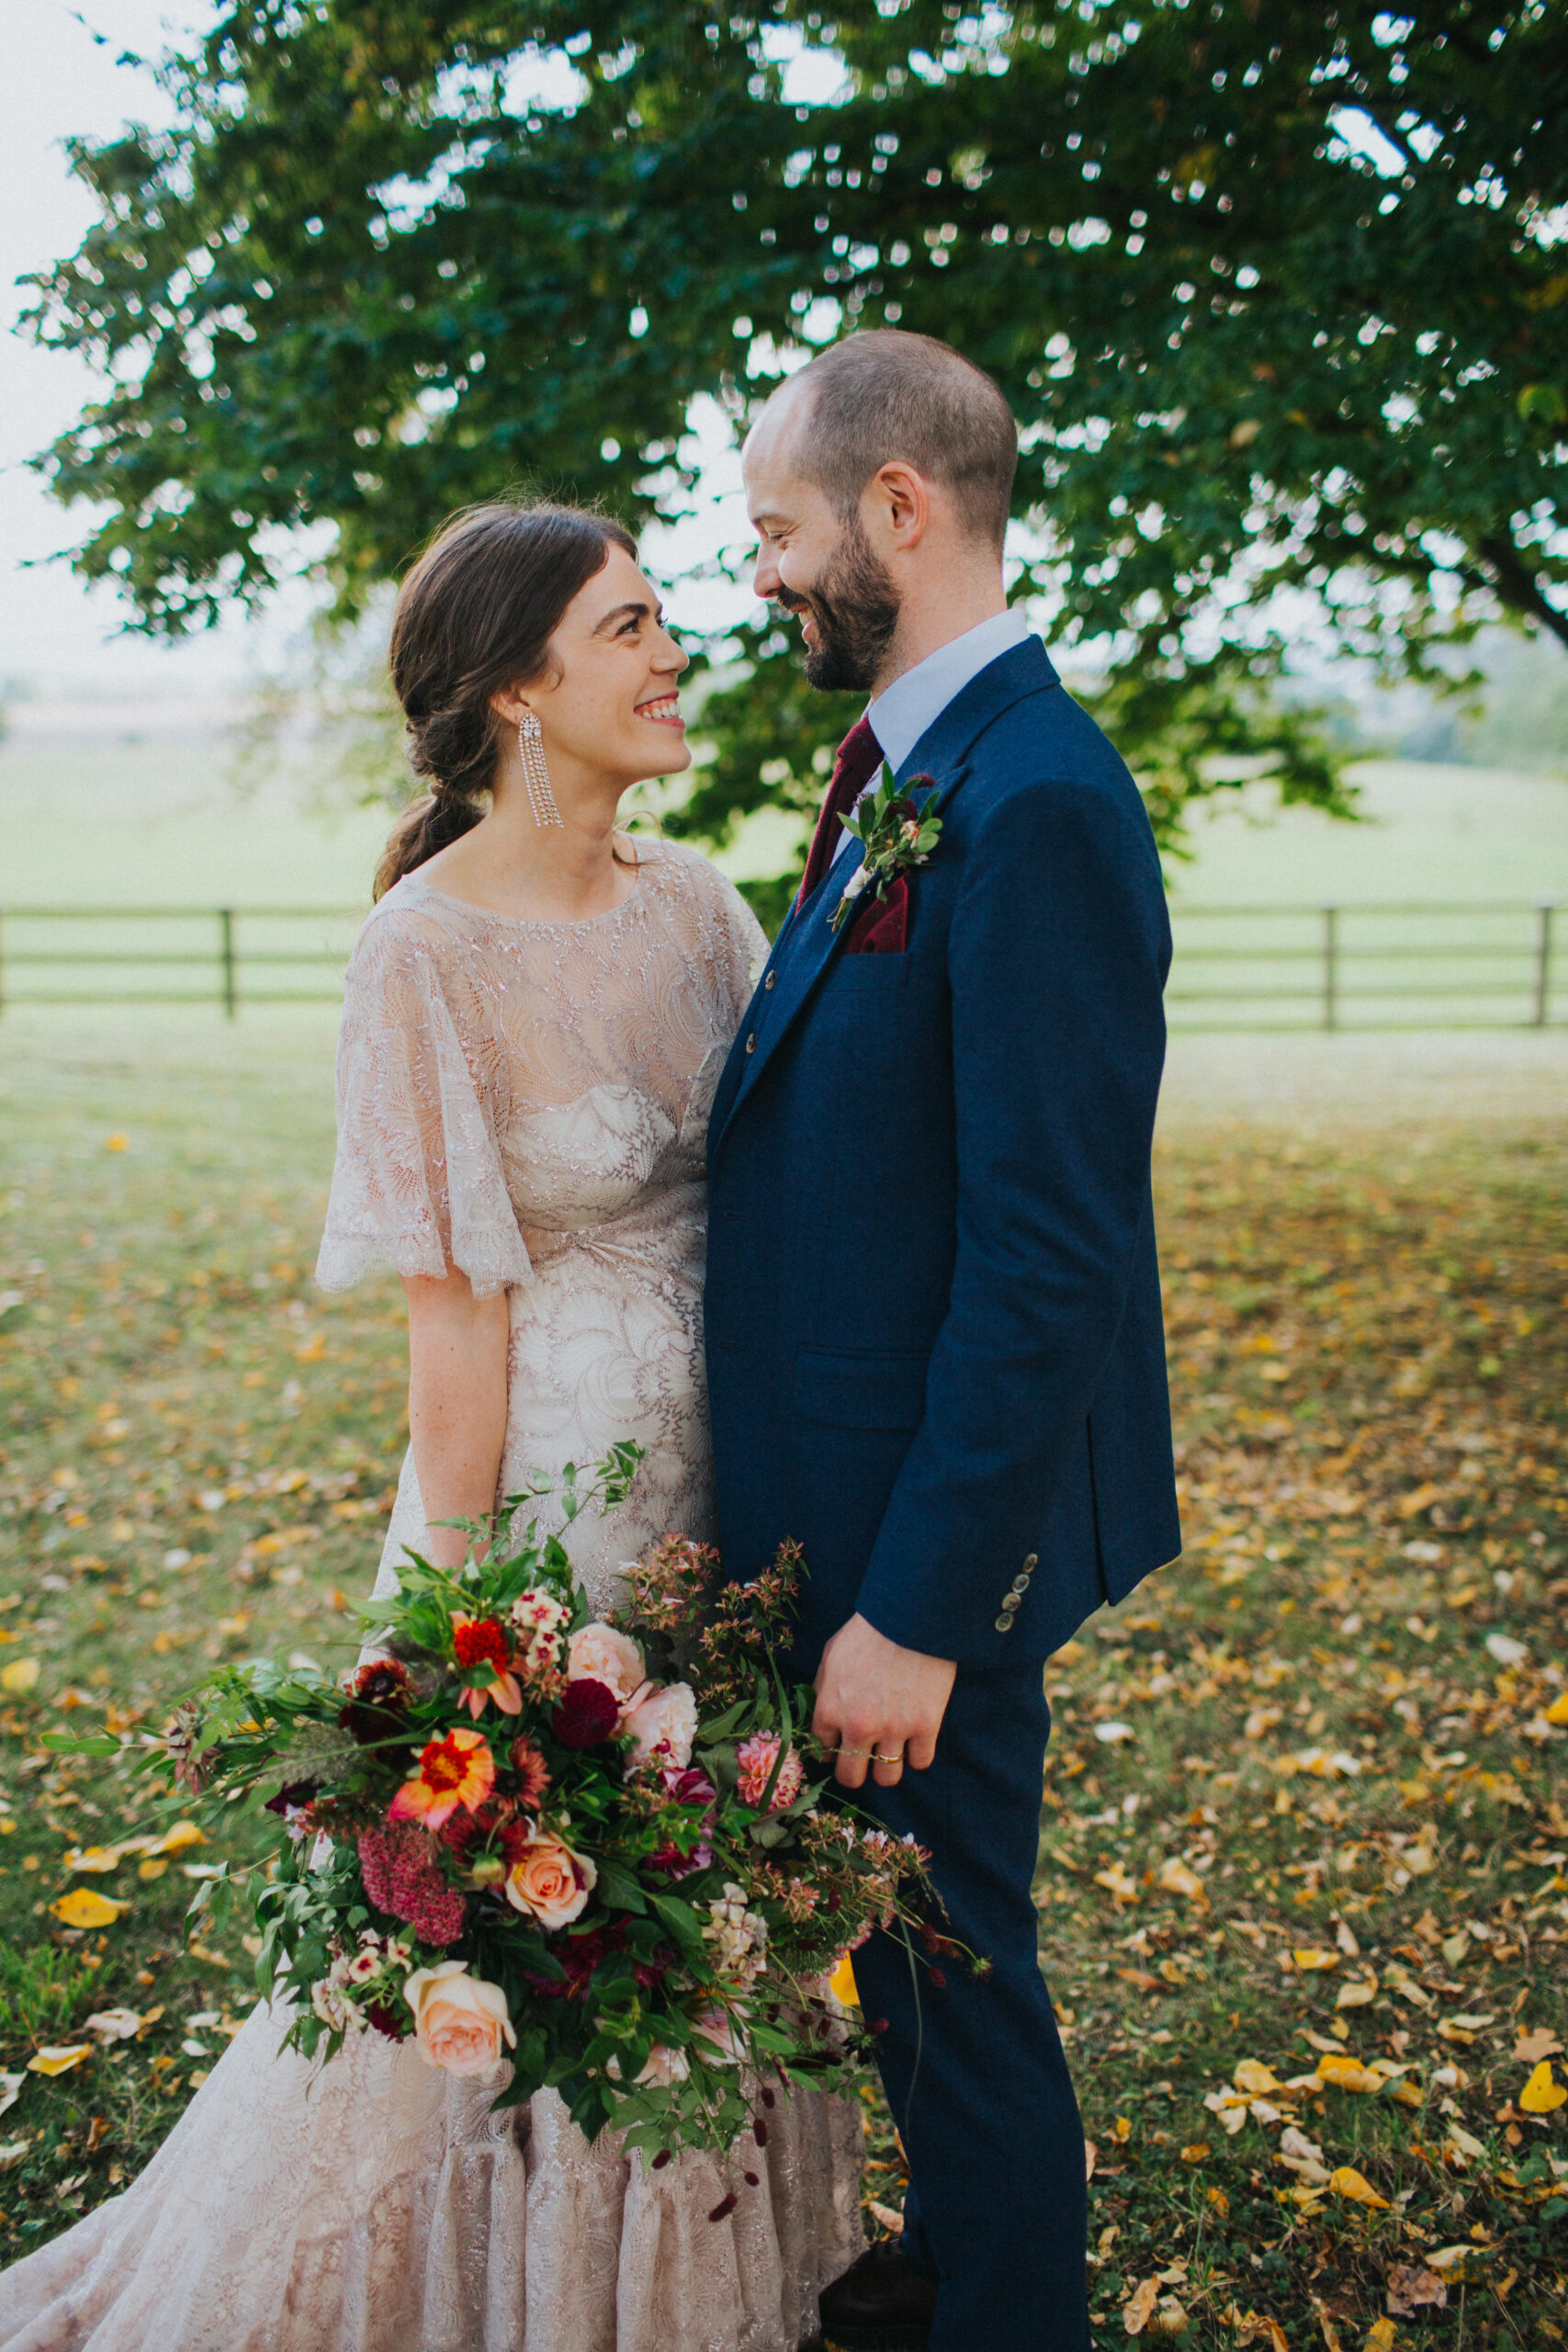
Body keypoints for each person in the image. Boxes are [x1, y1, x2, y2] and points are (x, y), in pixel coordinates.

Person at [0, 503, 863, 2352]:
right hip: (547, 1502)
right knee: (532, 1905)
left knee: (703, 1894)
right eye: (627, 626)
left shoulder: (700, 905)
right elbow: (452, 1331)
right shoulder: (421, 954)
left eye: (664, 617)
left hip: (732, 1485)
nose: (671, 652)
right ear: (514, 690)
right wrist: (461, 1641)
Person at [705, 332, 1181, 2352]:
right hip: (849, 1506)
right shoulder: (913, 774)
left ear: (897, 511)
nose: (758, 577)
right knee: (904, 1962)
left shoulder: (1038, 799)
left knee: (954, 1968)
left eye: (776, 530)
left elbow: (1049, 1253)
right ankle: (952, 2267)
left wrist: (917, 1609)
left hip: (923, 1548)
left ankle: (1003, 2310)